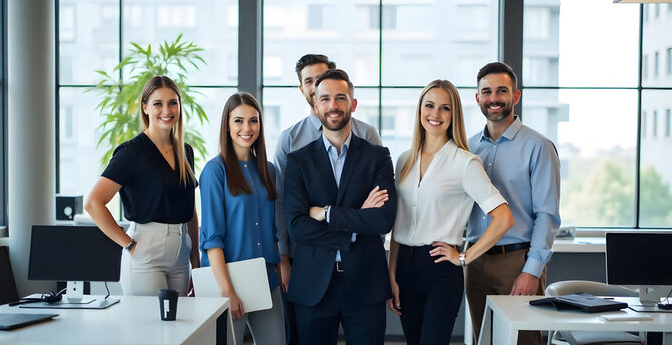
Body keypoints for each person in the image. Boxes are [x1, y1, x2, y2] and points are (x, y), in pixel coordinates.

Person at [386, 80, 514, 345]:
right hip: (405, 270)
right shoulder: (404, 160)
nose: (435, 114)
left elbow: (504, 217)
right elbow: (399, 224)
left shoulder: (464, 162)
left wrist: (465, 257)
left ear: (453, 115)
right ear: (420, 109)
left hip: (440, 270)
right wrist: (392, 275)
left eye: (444, 108)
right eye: (429, 105)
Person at [273, 54, 381, 344]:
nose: (315, 87)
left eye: (321, 79)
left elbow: (381, 214)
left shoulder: (368, 137)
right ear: (306, 91)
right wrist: (284, 257)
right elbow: (287, 209)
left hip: (361, 268)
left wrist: (324, 213)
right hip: (307, 264)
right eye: (309, 82)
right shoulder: (291, 142)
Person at [466, 62, 561, 345]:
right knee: (483, 339)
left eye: (501, 91)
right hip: (476, 260)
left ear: (515, 96)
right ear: (478, 98)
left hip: (516, 262)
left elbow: (547, 215)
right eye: (487, 92)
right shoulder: (468, 147)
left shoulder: (538, 147)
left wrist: (531, 272)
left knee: (523, 341)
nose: (494, 98)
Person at [85, 75, 200, 297]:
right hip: (146, 250)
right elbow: (93, 204)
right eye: (158, 103)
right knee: (150, 327)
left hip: (181, 253)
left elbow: (190, 210)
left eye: (172, 103)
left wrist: (195, 260)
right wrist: (130, 246)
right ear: (145, 107)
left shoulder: (185, 151)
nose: (166, 110)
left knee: (179, 328)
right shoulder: (131, 152)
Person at [199, 92, 285, 345]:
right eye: (238, 121)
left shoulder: (269, 170)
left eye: (253, 120)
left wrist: (280, 268)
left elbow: (272, 231)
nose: (247, 128)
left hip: (266, 279)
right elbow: (212, 238)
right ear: (227, 125)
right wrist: (227, 291)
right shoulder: (215, 171)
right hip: (228, 280)